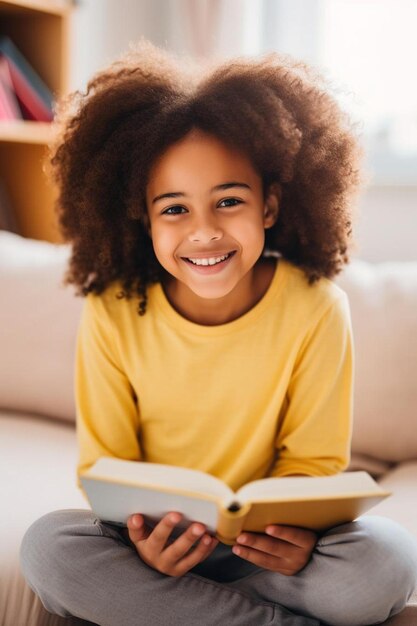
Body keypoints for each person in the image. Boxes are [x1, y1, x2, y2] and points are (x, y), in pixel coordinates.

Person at [20, 38, 417, 626]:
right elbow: (106, 465)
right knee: (49, 550)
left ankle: (187, 616)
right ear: (142, 218)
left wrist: (296, 536)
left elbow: (313, 462)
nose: (203, 232)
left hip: (273, 553)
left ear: (270, 206)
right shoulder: (111, 311)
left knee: (388, 560)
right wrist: (148, 539)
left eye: (228, 200)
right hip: (155, 551)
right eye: (175, 209)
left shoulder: (316, 308)